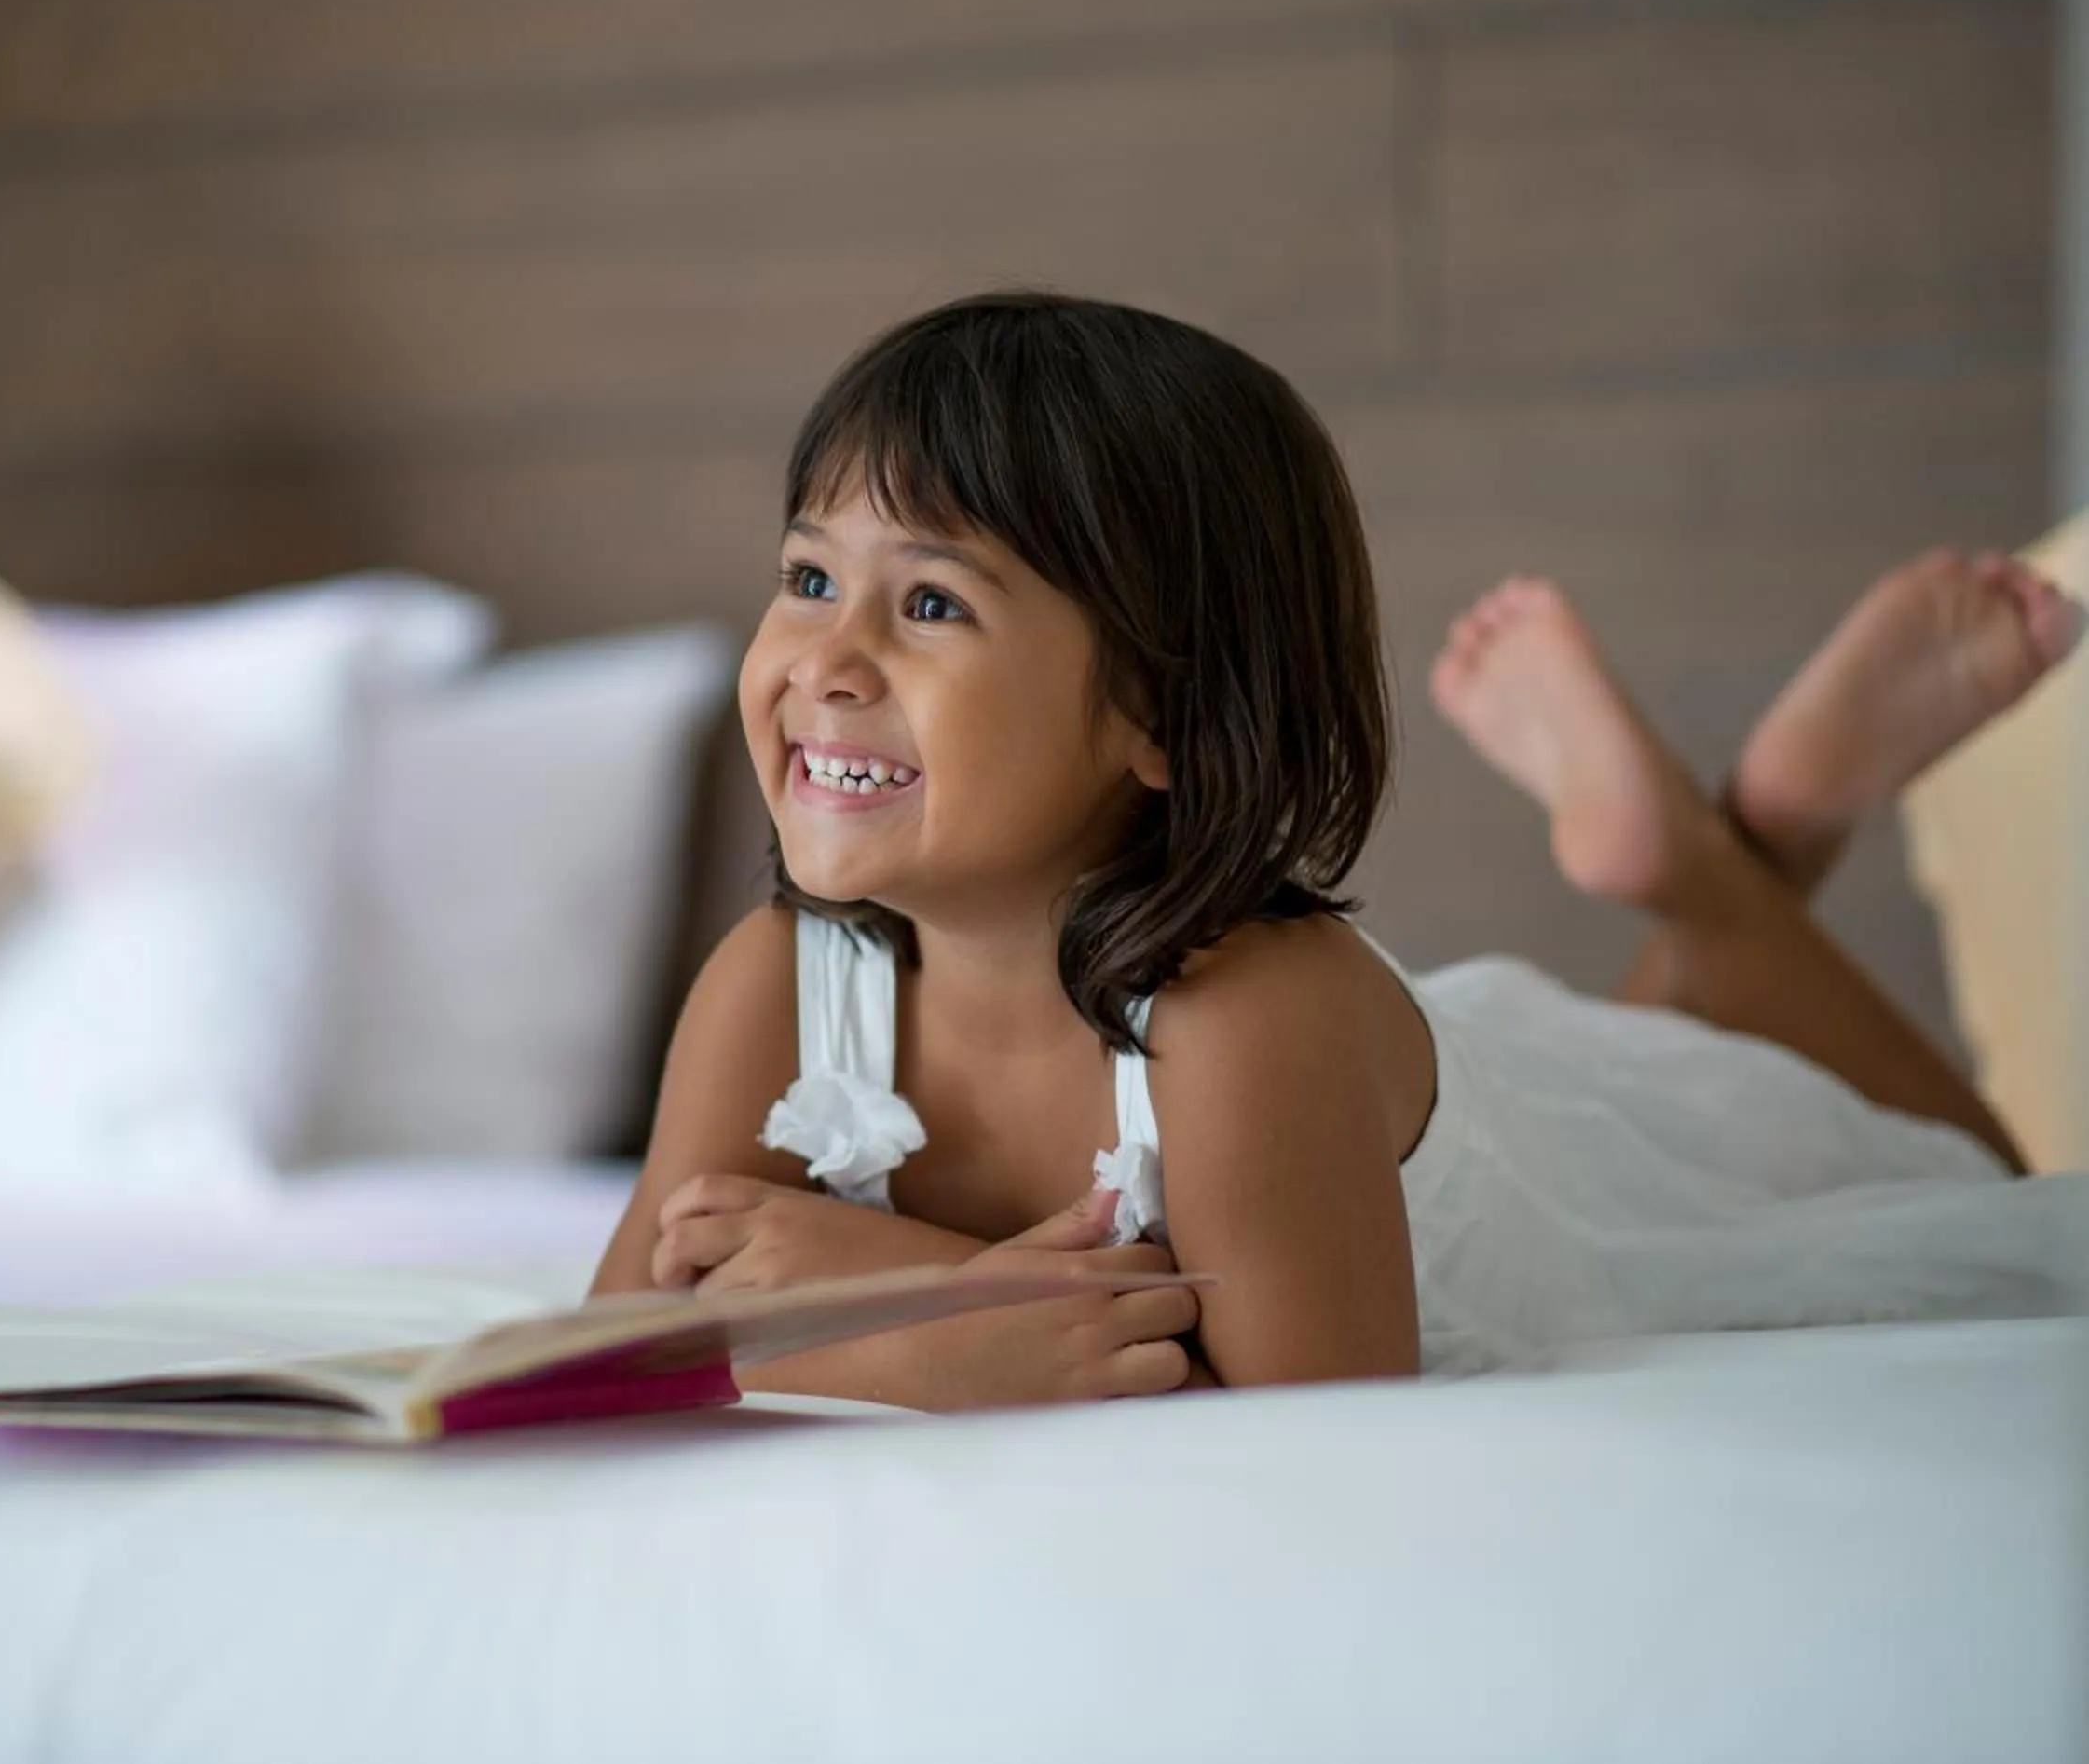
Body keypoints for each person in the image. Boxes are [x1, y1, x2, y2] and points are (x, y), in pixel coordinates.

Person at [589, 290, 2088, 1404]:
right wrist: (953, 1319)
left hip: (1590, 1174)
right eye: (806, 575)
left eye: (930, 604)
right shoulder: (772, 983)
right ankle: (1744, 839)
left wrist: (909, 1309)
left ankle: (1711, 862)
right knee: (1651, 1043)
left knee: (1987, 1187)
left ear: (1158, 712)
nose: (824, 659)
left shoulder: (1244, 1016)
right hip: (1480, 1076)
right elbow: (600, 1356)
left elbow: (1313, 1440)